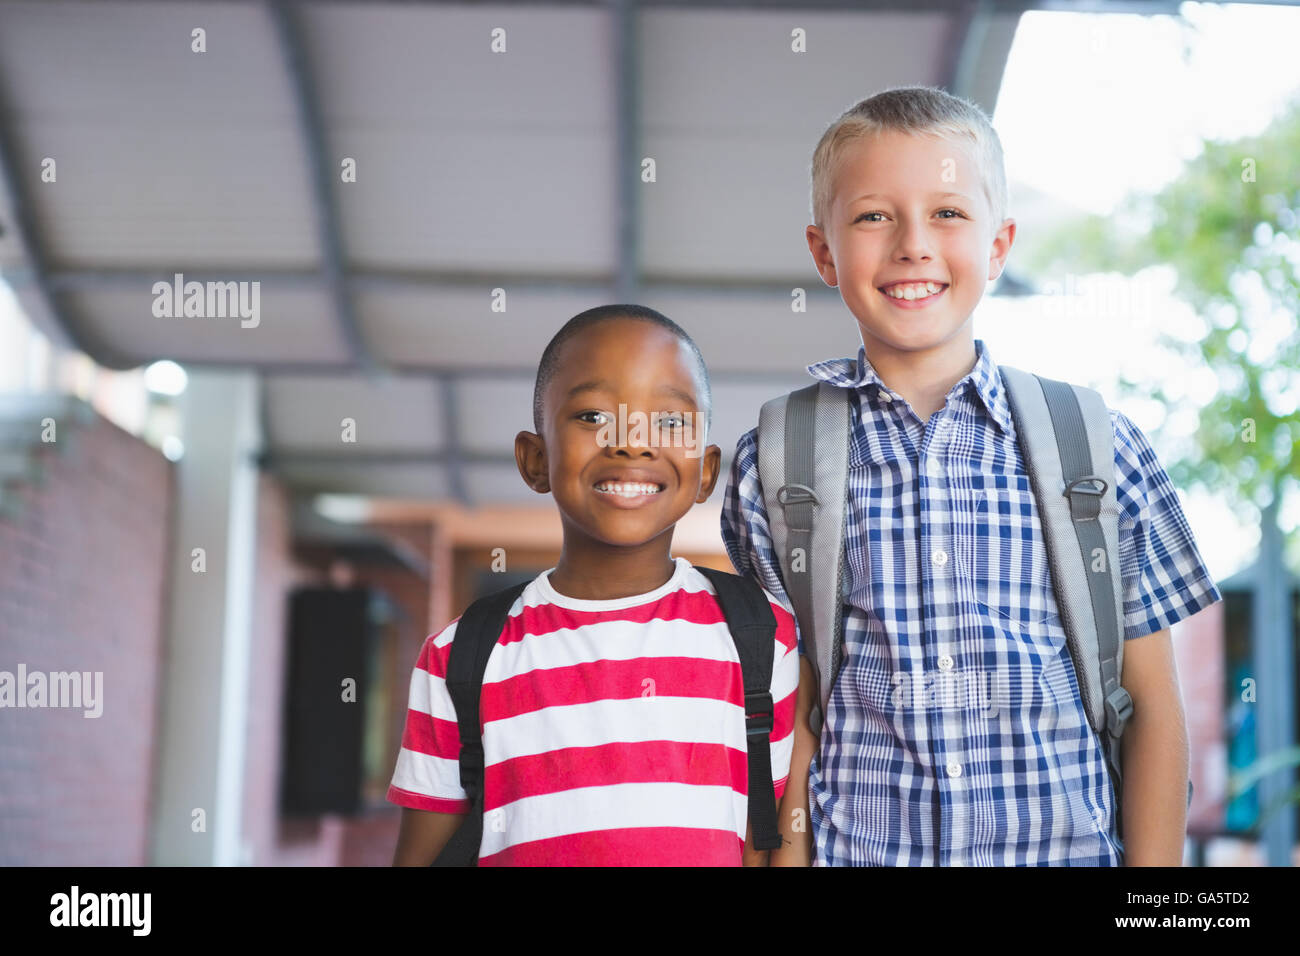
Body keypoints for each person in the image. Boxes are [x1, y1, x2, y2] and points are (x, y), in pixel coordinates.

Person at [723, 87, 1222, 866]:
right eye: (873, 217)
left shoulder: (1093, 445)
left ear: (998, 245)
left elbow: (1155, 706)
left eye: (949, 213)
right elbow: (796, 711)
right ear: (824, 253)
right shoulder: (778, 461)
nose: (913, 244)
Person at [389, 304, 799, 866]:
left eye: (670, 421)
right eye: (592, 417)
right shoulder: (460, 656)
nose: (631, 442)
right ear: (535, 460)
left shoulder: (761, 638)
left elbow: (766, 840)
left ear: (705, 472)